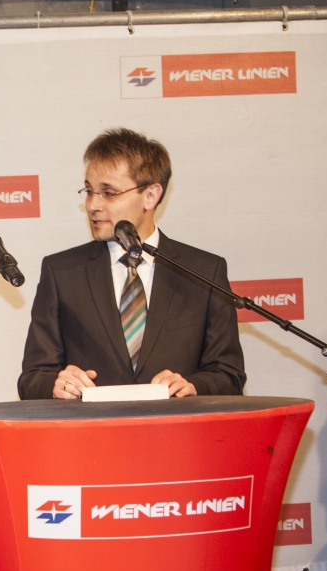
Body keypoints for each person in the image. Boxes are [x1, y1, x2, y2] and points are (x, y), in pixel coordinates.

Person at [19, 127, 246, 400]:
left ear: (151, 195)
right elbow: (32, 379)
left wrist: (193, 385)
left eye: (109, 193)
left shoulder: (203, 272)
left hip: (175, 436)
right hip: (91, 437)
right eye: (89, 191)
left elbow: (229, 374)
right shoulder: (62, 272)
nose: (93, 205)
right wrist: (56, 384)